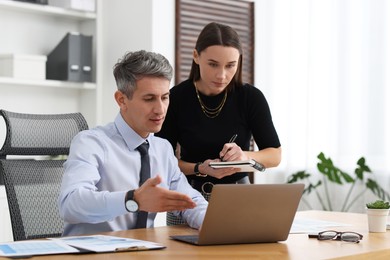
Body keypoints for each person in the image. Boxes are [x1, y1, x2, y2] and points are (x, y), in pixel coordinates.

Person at [58, 50, 208, 236]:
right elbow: (71, 204)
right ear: (122, 100)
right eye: (149, 99)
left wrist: (212, 221)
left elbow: (189, 201)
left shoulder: (162, 149)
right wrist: (133, 199)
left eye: (165, 97)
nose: (160, 109)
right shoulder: (91, 143)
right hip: (91, 253)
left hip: (144, 251)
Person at [156, 22, 281, 224]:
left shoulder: (251, 97)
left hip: (239, 199)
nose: (222, 75)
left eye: (230, 65)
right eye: (213, 64)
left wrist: (244, 156)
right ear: (196, 56)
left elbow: (274, 155)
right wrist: (200, 168)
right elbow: (162, 161)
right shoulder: (175, 98)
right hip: (187, 198)